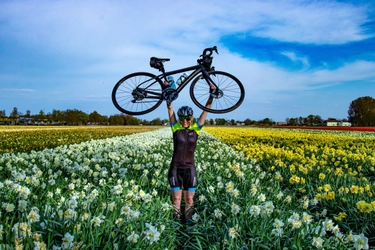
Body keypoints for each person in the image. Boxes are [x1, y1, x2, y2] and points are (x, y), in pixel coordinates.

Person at [166, 84, 214, 223]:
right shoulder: (175, 128)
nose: (185, 121)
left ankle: (188, 226)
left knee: (189, 199)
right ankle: (175, 226)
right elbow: (170, 108)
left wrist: (211, 94)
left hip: (190, 169)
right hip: (175, 168)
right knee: (176, 200)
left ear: (191, 118)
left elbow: (206, 111)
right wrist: (167, 92)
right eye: (182, 119)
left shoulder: (196, 129)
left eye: (187, 119)